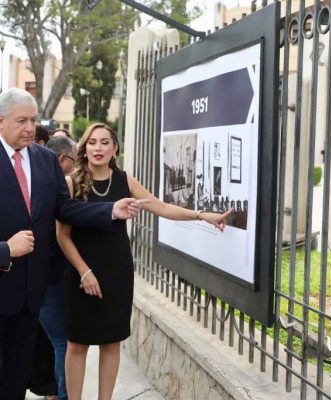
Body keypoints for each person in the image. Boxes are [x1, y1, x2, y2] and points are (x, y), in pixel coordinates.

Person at [56, 122, 232, 400]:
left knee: (111, 343)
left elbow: (161, 207)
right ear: (84, 148)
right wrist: (84, 271)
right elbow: (62, 235)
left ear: (115, 149)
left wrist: (202, 215)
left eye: (105, 142)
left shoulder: (125, 180)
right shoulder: (70, 183)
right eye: (92, 142)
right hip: (80, 272)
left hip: (116, 271)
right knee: (77, 344)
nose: (98, 148)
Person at [0, 87, 145, 399]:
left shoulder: (45, 160)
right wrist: (6, 250)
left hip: (29, 296)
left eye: (33, 120)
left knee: (15, 379)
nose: (30, 128)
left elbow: (65, 210)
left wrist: (110, 210)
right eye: (22, 121)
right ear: (1, 121)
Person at [38, 136, 77, 400]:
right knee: (63, 341)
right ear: (62, 160)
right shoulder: (55, 190)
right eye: (76, 161)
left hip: (46, 279)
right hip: (51, 280)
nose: (78, 168)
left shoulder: (43, 184)